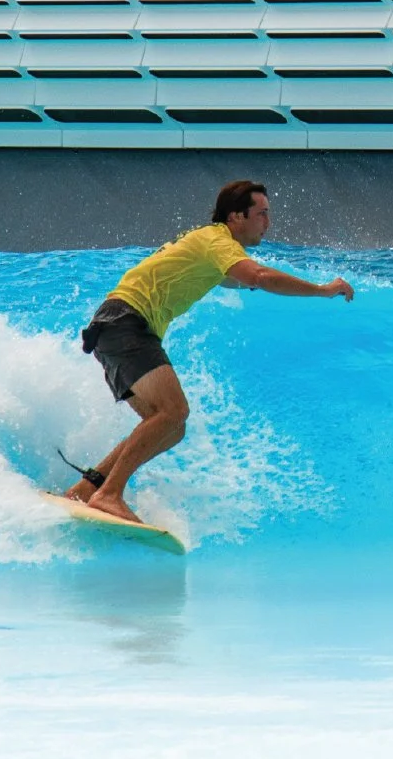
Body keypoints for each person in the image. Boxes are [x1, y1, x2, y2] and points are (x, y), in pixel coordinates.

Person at [64, 180, 354, 523]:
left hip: (115, 327)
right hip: (126, 322)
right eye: (261, 213)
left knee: (169, 425)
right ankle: (109, 494)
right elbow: (257, 275)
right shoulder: (216, 240)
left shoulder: (207, 243)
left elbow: (239, 279)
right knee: (173, 411)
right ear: (235, 217)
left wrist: (258, 281)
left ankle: (85, 490)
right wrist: (323, 290)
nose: (268, 222)